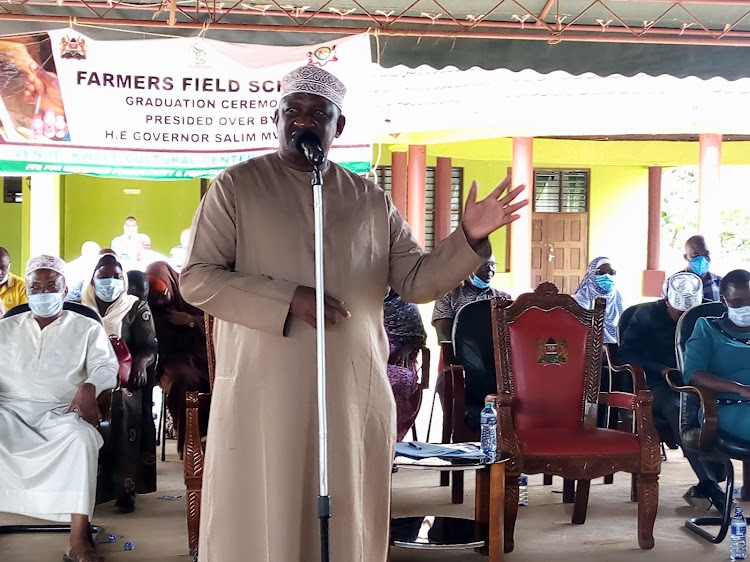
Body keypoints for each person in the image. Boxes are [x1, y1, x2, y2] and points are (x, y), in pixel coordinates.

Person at [179, 64, 527, 562]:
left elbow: (416, 281)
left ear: (337, 126)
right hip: (265, 389)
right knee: (263, 509)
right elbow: (197, 278)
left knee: (345, 517)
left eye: (318, 112)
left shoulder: (369, 198)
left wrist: (468, 239)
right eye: (292, 110)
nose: (303, 121)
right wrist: (287, 299)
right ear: (275, 119)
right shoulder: (237, 186)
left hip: (349, 390)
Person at [0, 255, 118, 562]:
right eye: (36, 287)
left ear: (66, 290)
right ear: (27, 291)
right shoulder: (6, 327)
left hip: (61, 413)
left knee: (80, 440)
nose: (43, 293)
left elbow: (106, 366)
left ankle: (78, 539)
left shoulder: (87, 327)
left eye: (51, 286)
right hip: (8, 412)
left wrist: (90, 386)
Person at [618, 272, 725, 510]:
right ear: (666, 299)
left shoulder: (708, 313)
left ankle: (712, 480)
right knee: (680, 408)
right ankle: (710, 483)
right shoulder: (645, 314)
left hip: (705, 382)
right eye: (679, 313)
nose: (683, 319)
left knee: (721, 407)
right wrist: (662, 369)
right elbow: (626, 354)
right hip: (659, 385)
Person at [79, 253, 158, 513]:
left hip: (123, 377)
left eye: (115, 277)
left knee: (122, 407)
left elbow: (149, 345)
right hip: (85, 375)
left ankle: (126, 488)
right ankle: (87, 488)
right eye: (103, 276)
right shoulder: (79, 306)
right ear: (93, 278)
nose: (109, 282)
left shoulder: (135, 307)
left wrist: (139, 364)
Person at [682, 269, 750, 509]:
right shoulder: (707, 328)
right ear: (724, 301)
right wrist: (739, 388)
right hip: (724, 408)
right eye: (738, 302)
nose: (746, 308)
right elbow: (693, 374)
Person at [145, 261, 209, 458]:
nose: (160, 301)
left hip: (202, 356)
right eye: (154, 298)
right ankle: (190, 444)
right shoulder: (148, 305)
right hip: (169, 361)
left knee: (215, 379)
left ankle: (211, 439)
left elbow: (218, 325)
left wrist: (189, 320)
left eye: (163, 295)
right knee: (184, 379)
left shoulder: (191, 295)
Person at [431, 256, 510, 343]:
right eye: (484, 265)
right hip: (458, 353)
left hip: (494, 354)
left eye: (493, 264)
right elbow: (444, 337)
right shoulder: (447, 295)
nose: (490, 269)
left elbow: (509, 334)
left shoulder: (503, 298)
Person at [384, 289, 427, 441]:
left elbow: (419, 339)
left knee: (401, 380)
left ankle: (393, 438)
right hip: (367, 360)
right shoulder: (363, 301)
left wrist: (407, 348)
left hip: (399, 362)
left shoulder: (405, 303)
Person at [572, 256, 624, 344]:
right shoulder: (579, 301)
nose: (607, 276)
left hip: (615, 351)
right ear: (591, 275)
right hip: (584, 349)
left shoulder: (619, 300)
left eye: (611, 272)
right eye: (601, 273)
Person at [682, 235, 723, 302]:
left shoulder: (721, 283)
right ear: (686, 257)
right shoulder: (672, 284)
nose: (702, 259)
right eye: (695, 255)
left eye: (706, 254)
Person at [0, 246, 27, 311]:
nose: (0, 272)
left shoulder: (22, 286)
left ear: (9, 265)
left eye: (4, 267)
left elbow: (24, 316)